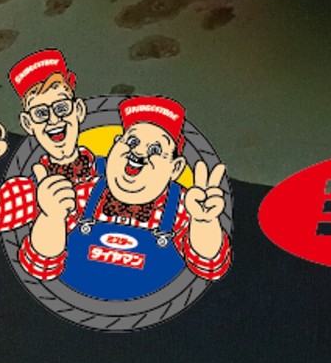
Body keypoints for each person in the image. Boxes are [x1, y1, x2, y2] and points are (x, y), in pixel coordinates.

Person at [22, 93, 230, 295]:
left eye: (155, 150)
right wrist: (50, 218)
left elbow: (209, 268)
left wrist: (204, 223)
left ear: (175, 168)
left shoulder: (184, 206)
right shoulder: (81, 194)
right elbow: (41, 266)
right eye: (131, 142)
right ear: (114, 145)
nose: (138, 154)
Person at [0, 49, 94, 236]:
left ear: (78, 110)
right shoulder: (33, 191)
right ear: (28, 124)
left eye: (61, 108)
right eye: (40, 113)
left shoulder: (112, 171)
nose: (53, 120)